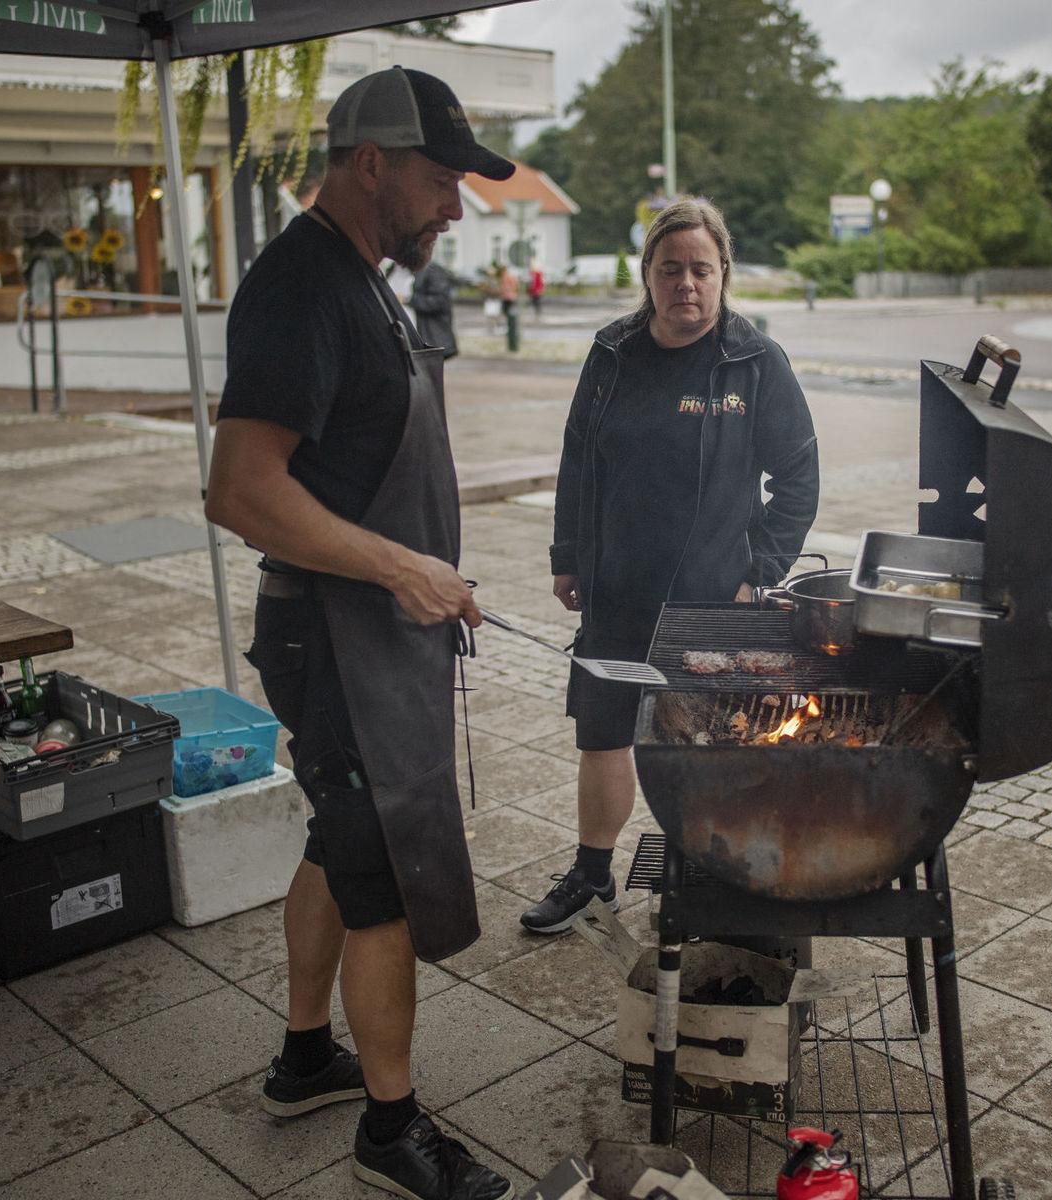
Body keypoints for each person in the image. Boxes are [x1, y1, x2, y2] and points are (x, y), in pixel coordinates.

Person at [204, 66, 515, 1200]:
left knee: (335, 842)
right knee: (377, 869)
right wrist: (403, 567)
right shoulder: (303, 289)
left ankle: (303, 1058)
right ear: (368, 163)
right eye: (440, 179)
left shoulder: (367, 277)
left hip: (367, 634)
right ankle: (392, 1127)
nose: (456, 204)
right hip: (331, 636)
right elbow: (239, 488)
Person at [524, 197, 820, 934]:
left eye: (700, 269)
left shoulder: (755, 362)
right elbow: (578, 460)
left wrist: (761, 574)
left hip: (714, 596)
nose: (685, 284)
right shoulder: (612, 353)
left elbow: (799, 477)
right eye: (669, 270)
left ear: (724, 272)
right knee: (602, 735)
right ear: (647, 274)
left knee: (711, 746)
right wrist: (568, 555)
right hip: (617, 589)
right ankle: (594, 875)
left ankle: (718, 875)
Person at [410, 259, 460, 359]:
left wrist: (409, 299)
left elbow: (439, 301)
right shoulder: (393, 269)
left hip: (429, 338)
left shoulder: (431, 270)